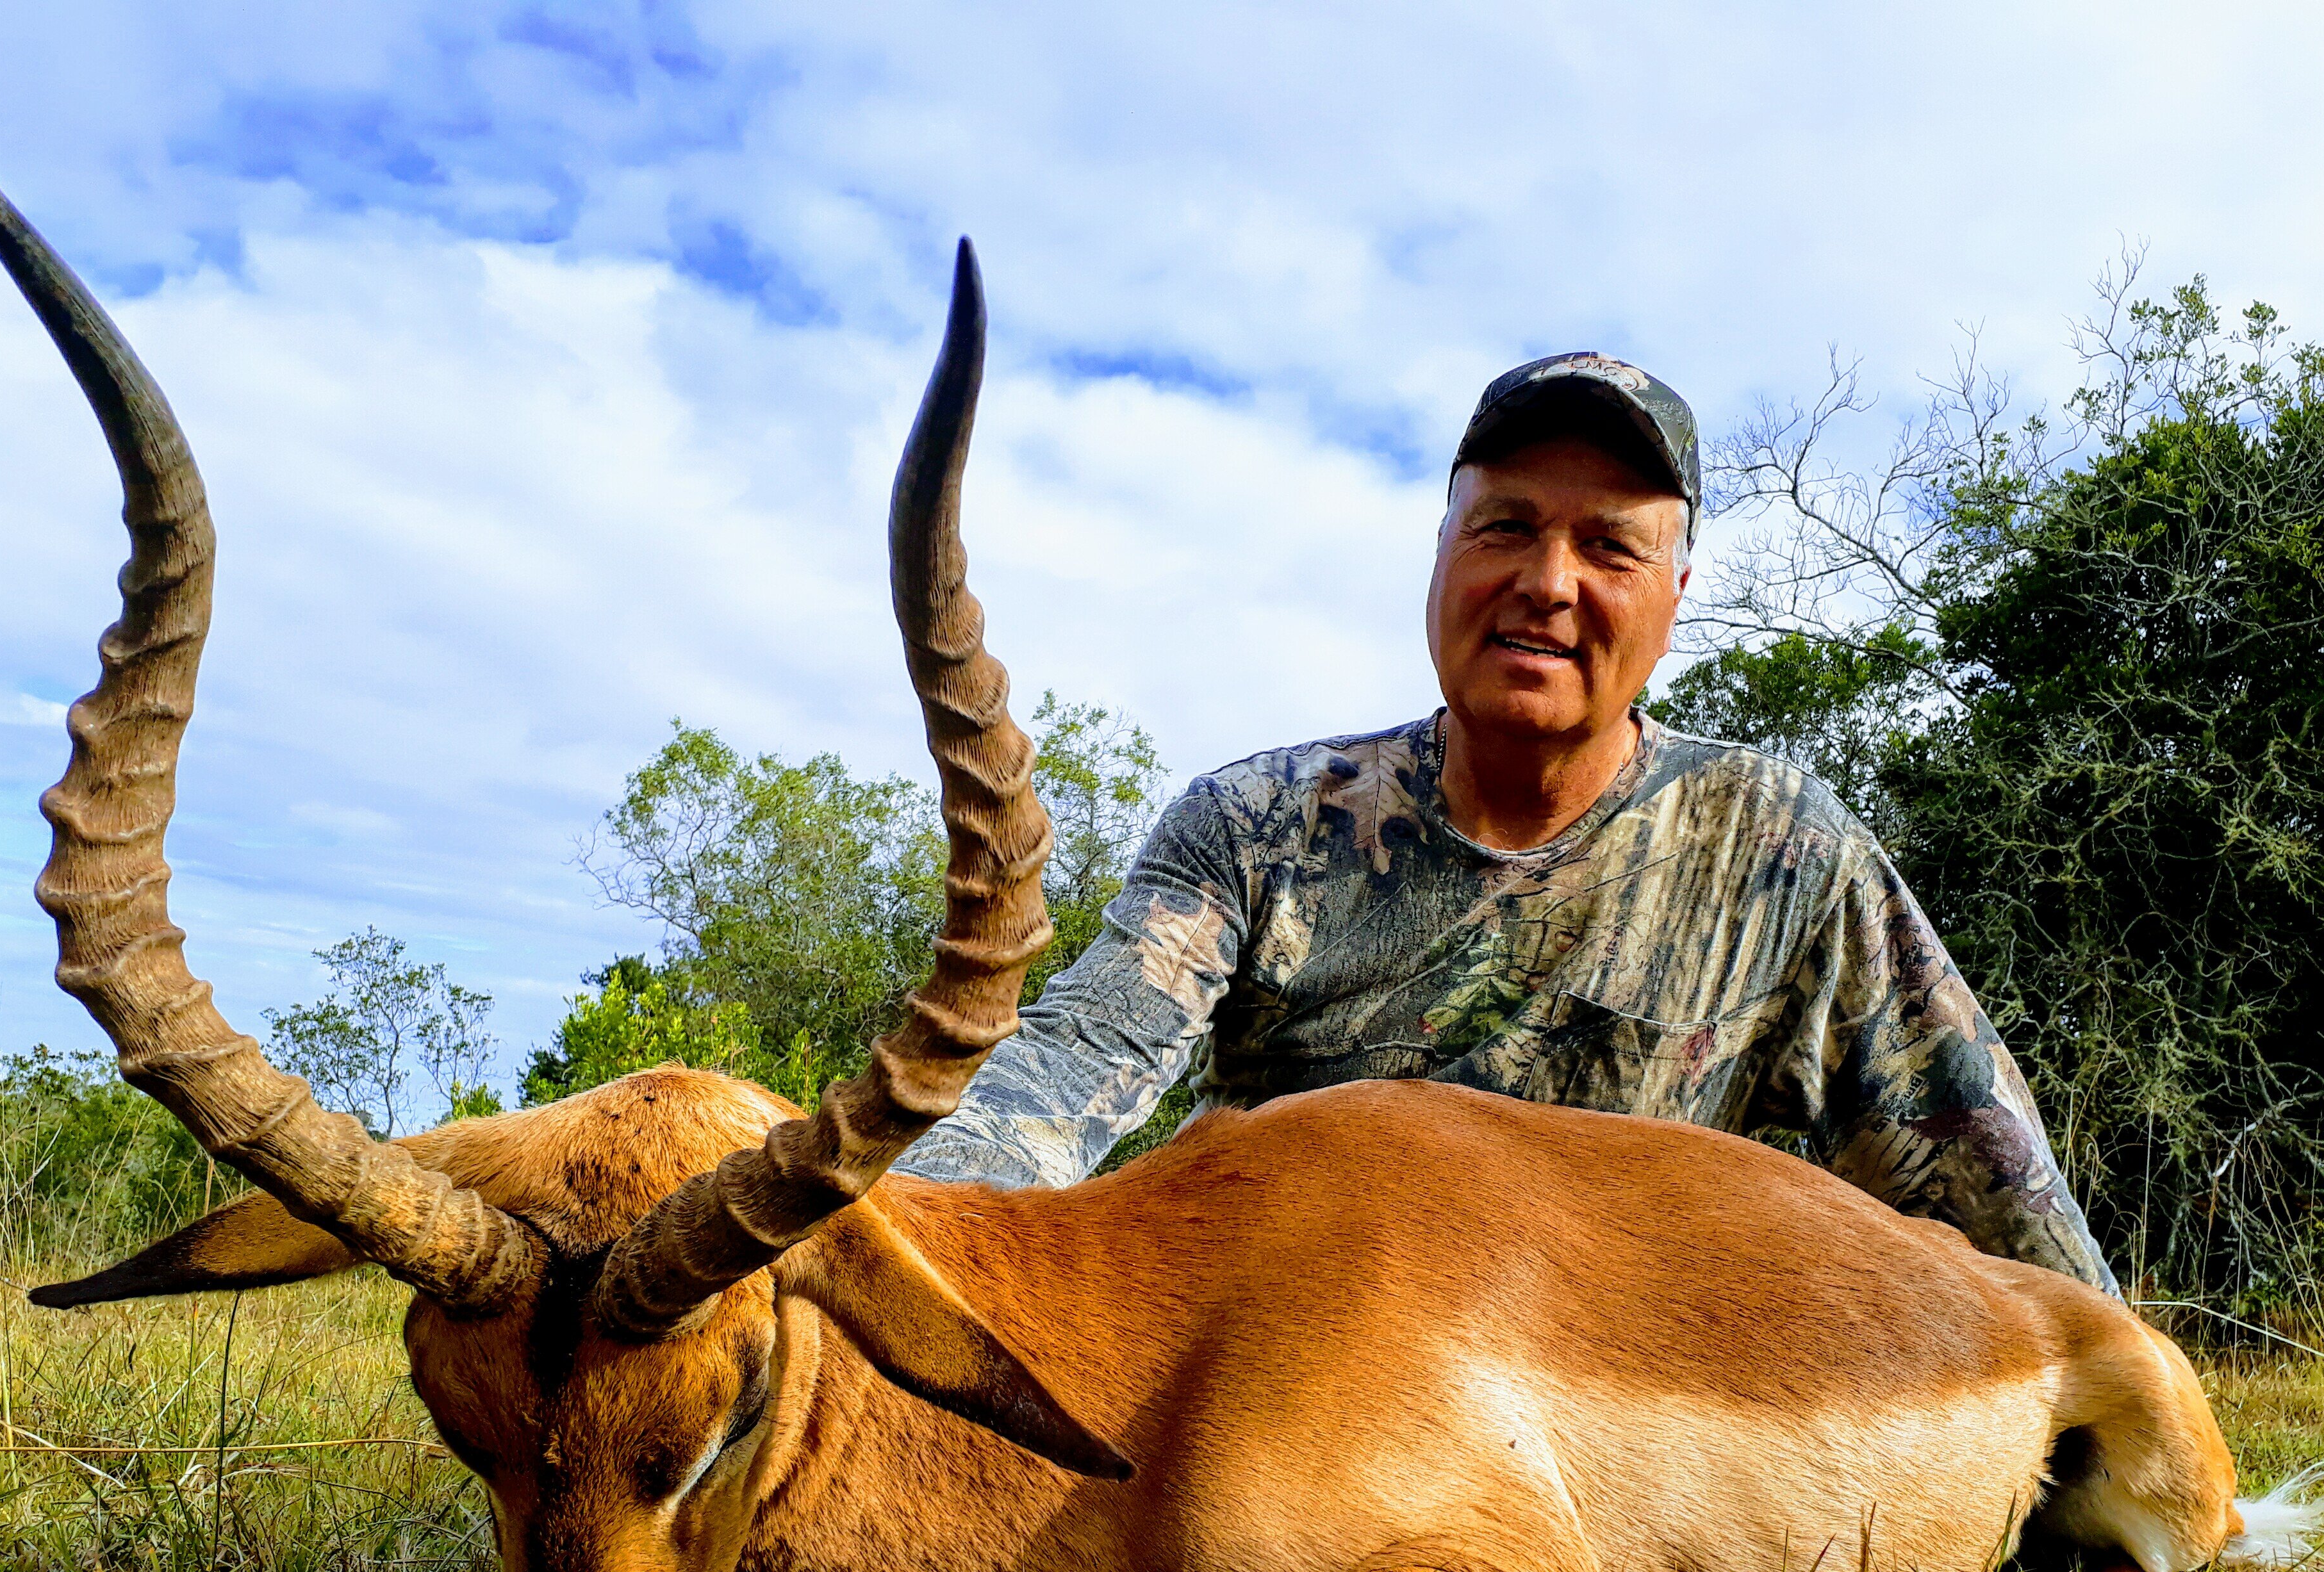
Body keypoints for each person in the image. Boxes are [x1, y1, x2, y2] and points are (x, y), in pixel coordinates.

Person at [894, 352, 2114, 1292]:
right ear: (1442, 553)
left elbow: (1985, 1171)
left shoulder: (1780, 847)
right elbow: (1065, 1071)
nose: (1549, 583)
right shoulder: (1254, 824)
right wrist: (874, 1243)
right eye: (1508, 527)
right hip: (1298, 1376)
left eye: (1611, 548)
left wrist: (2120, 1401)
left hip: (1613, 1404)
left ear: (1675, 600)